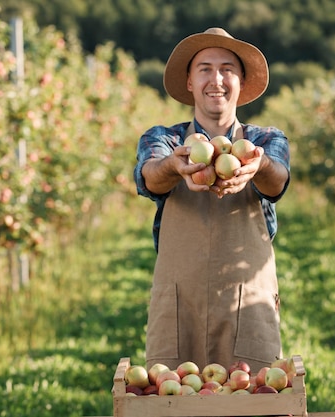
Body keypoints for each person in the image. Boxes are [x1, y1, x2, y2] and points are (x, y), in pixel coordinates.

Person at [133, 28, 291, 373]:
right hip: (179, 307)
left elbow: (278, 179)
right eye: (204, 68)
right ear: (189, 82)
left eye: (227, 69)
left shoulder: (264, 140)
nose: (215, 79)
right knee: (175, 404)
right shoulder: (166, 140)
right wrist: (175, 166)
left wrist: (257, 164)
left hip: (246, 303)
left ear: (241, 82)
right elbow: (149, 175)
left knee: (253, 401)